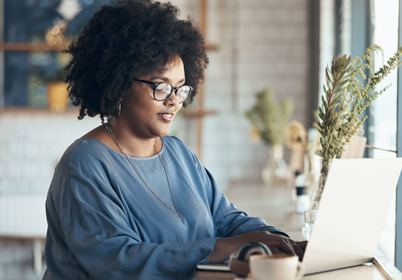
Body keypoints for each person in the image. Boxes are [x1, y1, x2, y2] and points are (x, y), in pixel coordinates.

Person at [43, 0, 306, 279]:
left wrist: (281, 241)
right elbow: (120, 262)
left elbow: (227, 220)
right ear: (118, 83)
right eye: (161, 86)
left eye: (180, 89)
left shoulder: (178, 154)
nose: (174, 101)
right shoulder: (84, 164)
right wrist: (223, 248)